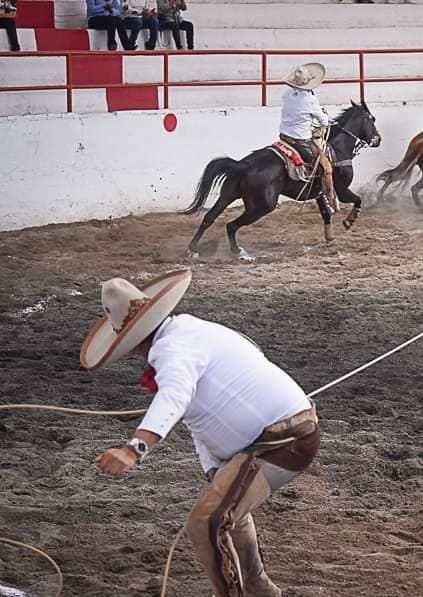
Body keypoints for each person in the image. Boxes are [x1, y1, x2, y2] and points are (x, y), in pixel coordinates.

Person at [85, 269, 320, 597]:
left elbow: (176, 397)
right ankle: (260, 588)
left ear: (132, 339)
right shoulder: (190, 331)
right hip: (282, 433)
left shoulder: (171, 350)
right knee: (224, 511)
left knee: (206, 521)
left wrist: (133, 448)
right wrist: (215, 471)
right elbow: (199, 416)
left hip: (280, 440)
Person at [280, 63, 335, 204]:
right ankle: (329, 197)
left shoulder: (287, 94)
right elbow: (323, 121)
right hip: (301, 141)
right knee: (327, 168)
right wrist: (324, 115)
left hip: (284, 137)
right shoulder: (310, 100)